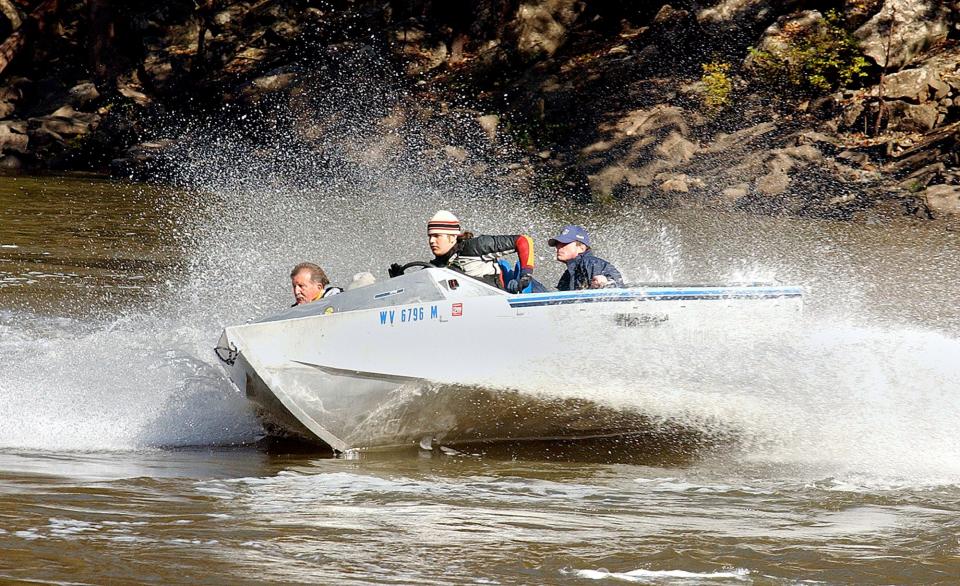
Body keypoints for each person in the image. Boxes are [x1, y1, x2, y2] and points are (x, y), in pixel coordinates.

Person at [412, 210, 540, 292]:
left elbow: (523, 240)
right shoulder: (435, 267)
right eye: (430, 236)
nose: (431, 241)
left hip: (496, 304)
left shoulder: (476, 246)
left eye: (437, 236)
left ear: (452, 237)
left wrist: (526, 276)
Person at [549, 225, 624, 290]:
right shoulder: (568, 275)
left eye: (564, 243)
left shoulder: (590, 262)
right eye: (557, 244)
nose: (558, 247)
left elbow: (616, 285)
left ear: (581, 247)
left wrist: (605, 282)